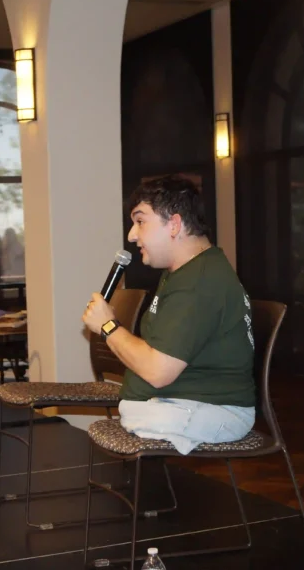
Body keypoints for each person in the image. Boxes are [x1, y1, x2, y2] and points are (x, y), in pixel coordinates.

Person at [81, 176, 256, 454]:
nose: (131, 235)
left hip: (215, 412)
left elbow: (158, 372)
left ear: (174, 224)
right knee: (132, 411)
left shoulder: (199, 282)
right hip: (184, 404)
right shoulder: (181, 273)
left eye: (140, 221)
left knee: (133, 413)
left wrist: (108, 326)